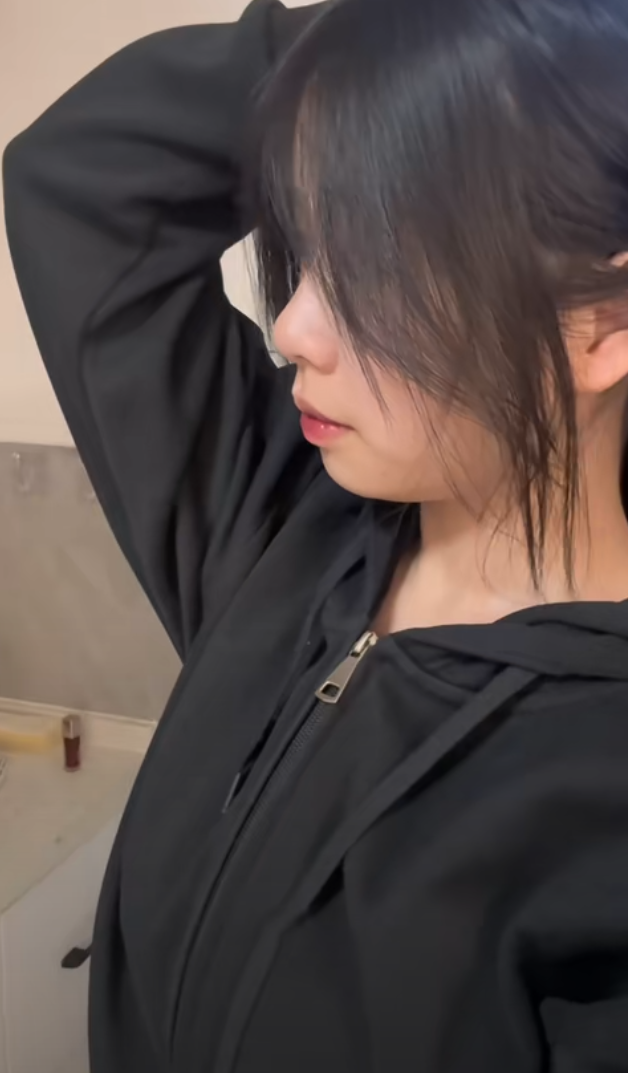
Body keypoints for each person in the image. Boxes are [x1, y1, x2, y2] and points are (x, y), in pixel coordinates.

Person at [4, 0, 628, 1068]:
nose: (292, 325)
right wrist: (422, 43)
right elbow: (84, 176)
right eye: (305, 246)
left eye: (379, 266)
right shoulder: (281, 531)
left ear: (604, 326)